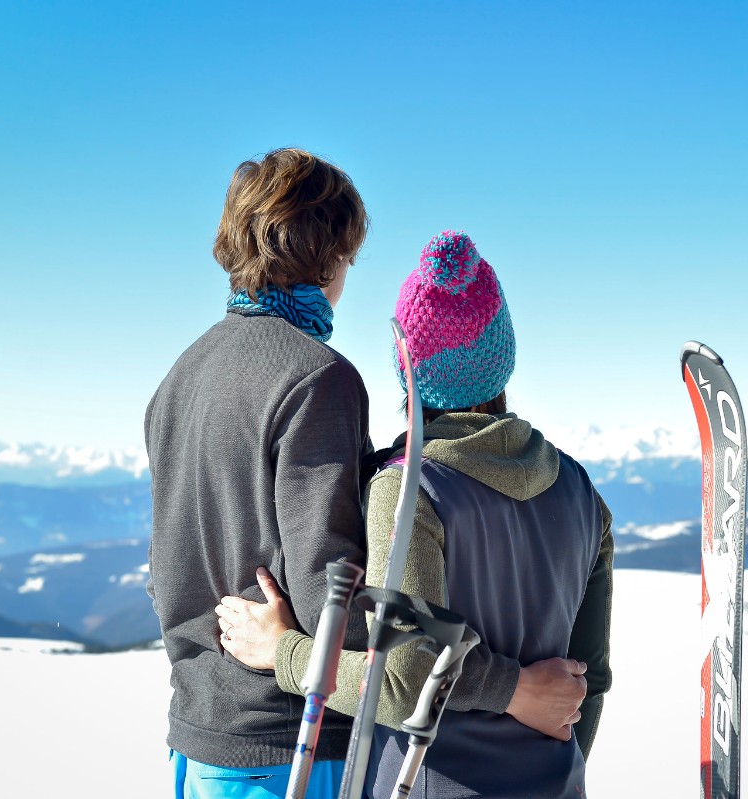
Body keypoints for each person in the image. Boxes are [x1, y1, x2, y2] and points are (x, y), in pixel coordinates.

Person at [217, 230, 614, 799]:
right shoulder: (580, 490)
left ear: (408, 370)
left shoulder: (409, 489)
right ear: (502, 357)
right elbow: (589, 679)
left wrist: (282, 652)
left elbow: (400, 681)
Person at [144, 147, 373, 797]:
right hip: (289, 746)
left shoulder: (179, 378)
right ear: (328, 254)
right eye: (349, 257)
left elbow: (164, 573)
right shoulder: (316, 378)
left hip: (197, 739)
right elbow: (329, 594)